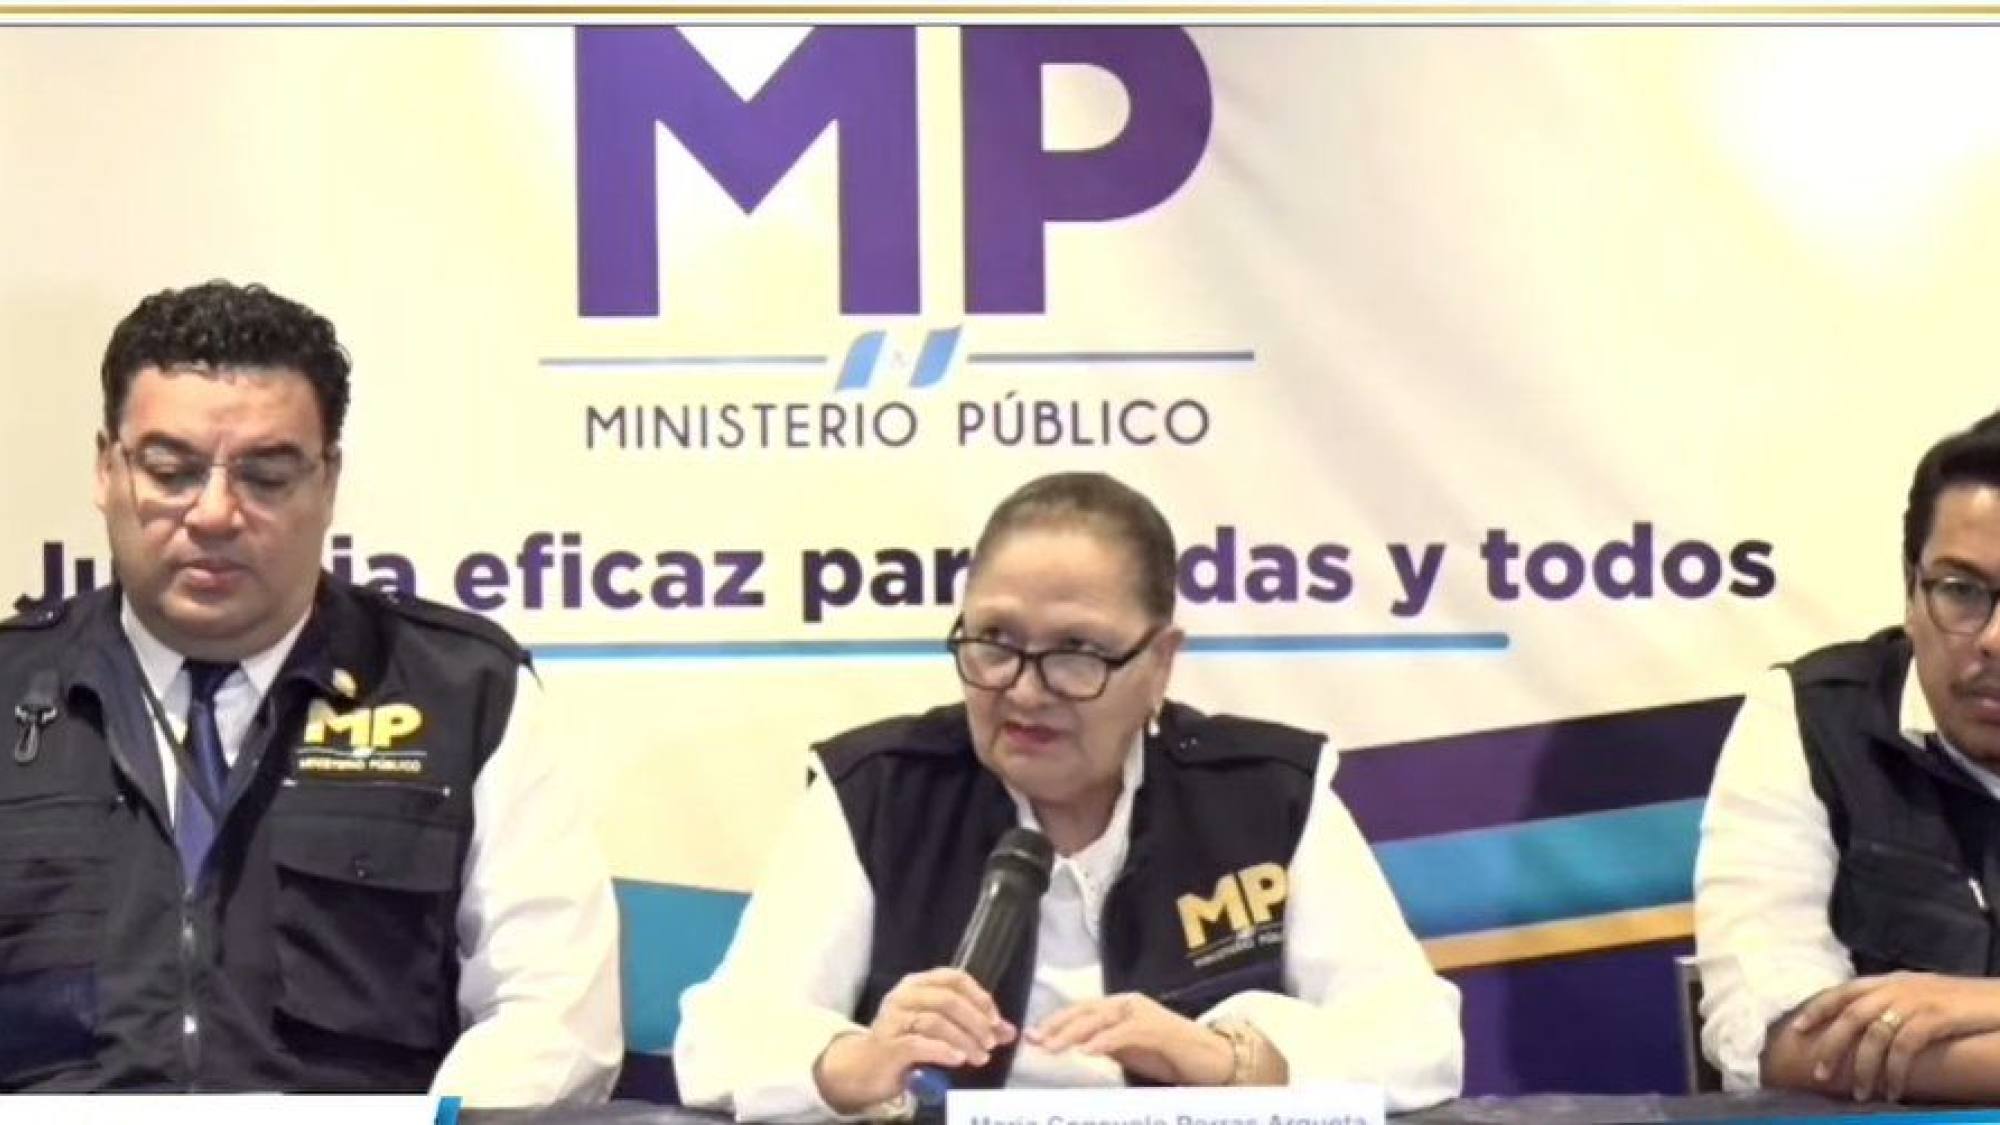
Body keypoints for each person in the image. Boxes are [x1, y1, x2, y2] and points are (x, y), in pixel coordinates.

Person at [675, 471, 1462, 1120]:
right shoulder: (878, 789)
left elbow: (1418, 1036)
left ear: (1160, 661)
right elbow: (721, 1038)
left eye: (1077, 652)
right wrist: (853, 1061)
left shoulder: (1266, 792)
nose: (1025, 690)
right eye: (995, 641)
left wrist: (1232, 1059)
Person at [0, 281, 621, 1101]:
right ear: (107, 469)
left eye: (266, 476)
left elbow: (553, 1009)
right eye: (171, 470)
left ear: (327, 481)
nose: (214, 513)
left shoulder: (465, 691)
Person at [1697, 411, 2000, 1104]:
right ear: (1911, 589)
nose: (1994, 639)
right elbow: (1776, 1031)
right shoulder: (1808, 719)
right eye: (1961, 590)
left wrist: (1978, 1001)